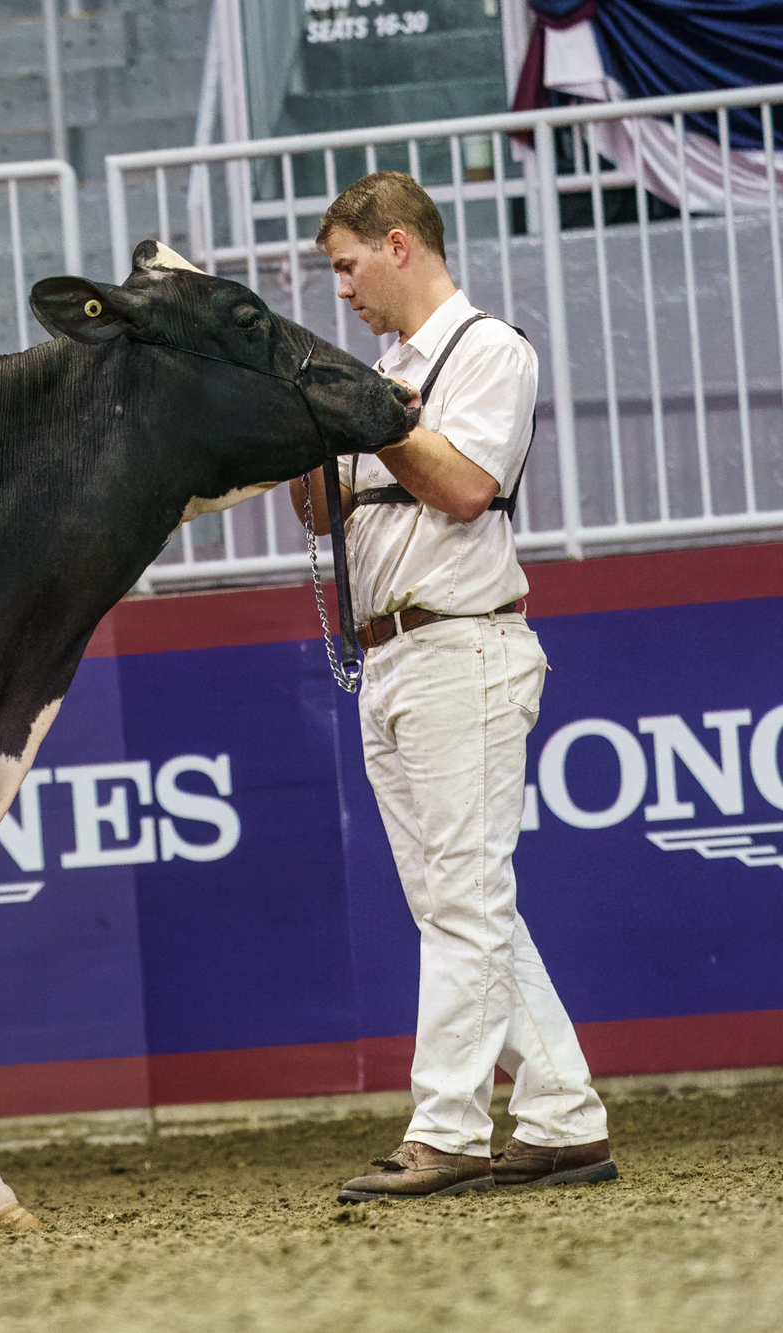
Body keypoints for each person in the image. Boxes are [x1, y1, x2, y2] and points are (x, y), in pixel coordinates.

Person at [291, 171, 617, 1201]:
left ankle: (447, 1129)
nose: (342, 288)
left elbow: (468, 487)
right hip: (388, 654)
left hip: (461, 645)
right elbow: (318, 513)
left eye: (347, 266)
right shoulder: (378, 373)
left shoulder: (489, 350)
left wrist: (370, 420)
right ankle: (562, 1116)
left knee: (463, 901)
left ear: (399, 244)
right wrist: (302, 425)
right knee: (454, 902)